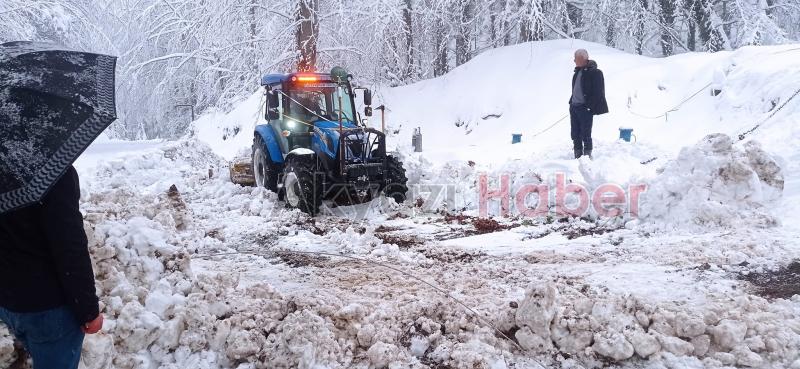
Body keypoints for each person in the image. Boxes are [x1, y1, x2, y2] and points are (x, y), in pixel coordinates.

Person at [0, 165, 102, 369]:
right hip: (48, 308)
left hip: (6, 300)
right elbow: (69, 245)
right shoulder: (51, 170)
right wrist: (88, 311)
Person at [569, 49, 609, 159]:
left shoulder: (595, 73)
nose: (574, 61)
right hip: (574, 107)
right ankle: (577, 155)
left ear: (582, 58)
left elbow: (598, 92)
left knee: (585, 134)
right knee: (575, 133)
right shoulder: (577, 72)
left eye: (575, 58)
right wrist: (571, 103)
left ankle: (587, 156)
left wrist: (588, 107)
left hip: (584, 109)